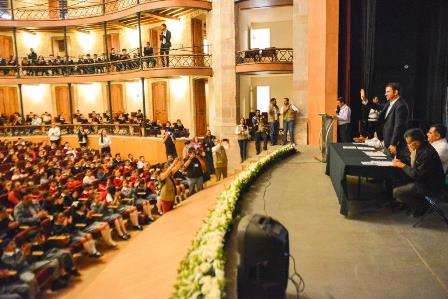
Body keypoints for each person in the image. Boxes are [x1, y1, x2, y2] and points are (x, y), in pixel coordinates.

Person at [392, 128, 445, 217]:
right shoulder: (421, 147)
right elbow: (413, 164)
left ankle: (422, 207)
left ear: (416, 142)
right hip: (423, 180)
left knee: (396, 192)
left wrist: (402, 165)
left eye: (409, 144)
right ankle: (413, 204)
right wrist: (401, 161)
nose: (408, 146)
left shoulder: (427, 153)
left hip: (430, 186)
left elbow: (417, 175)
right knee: (397, 180)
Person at [379, 82, 409, 157]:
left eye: (388, 91)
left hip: (393, 144)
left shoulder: (401, 105)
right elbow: (378, 107)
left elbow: (398, 126)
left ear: (395, 92)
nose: (385, 94)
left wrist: (393, 143)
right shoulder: (390, 103)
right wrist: (365, 100)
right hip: (387, 141)